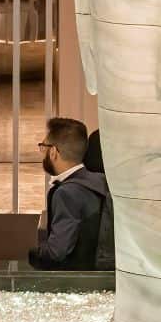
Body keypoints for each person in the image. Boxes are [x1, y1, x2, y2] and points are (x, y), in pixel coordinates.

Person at [28, 116, 113, 271]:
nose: (42, 153)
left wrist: (31, 254)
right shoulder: (102, 181)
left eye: (43, 147)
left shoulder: (66, 194)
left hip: (77, 280)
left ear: (53, 152)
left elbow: (56, 252)